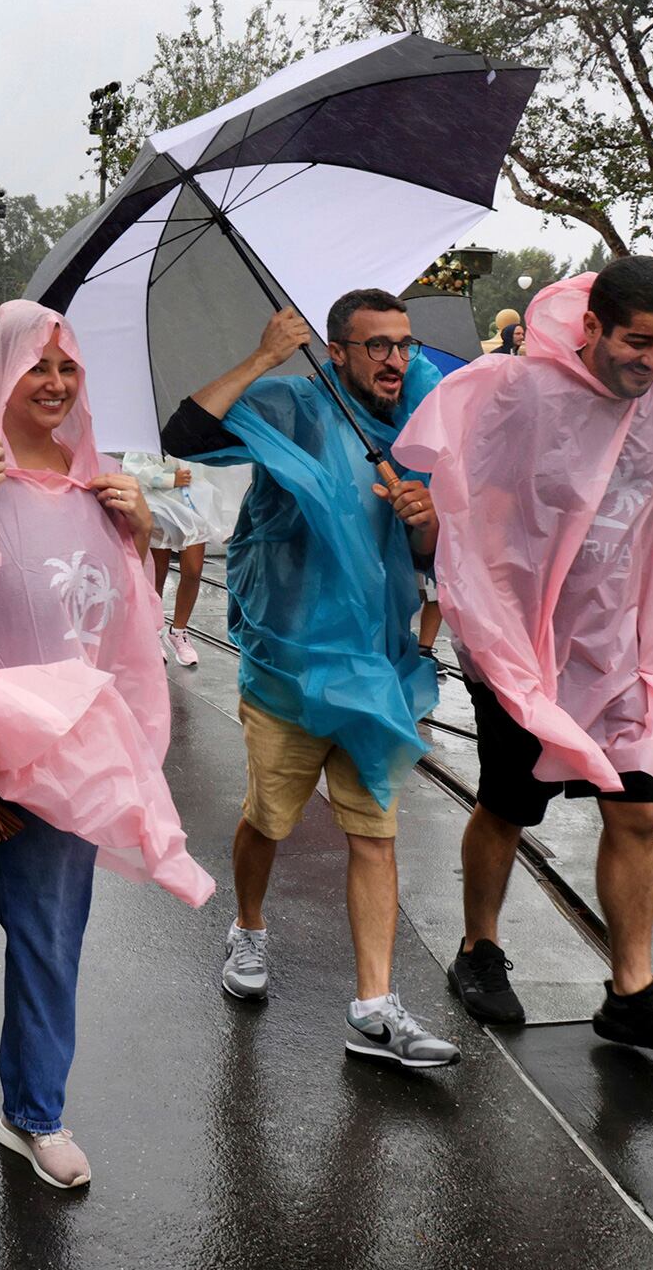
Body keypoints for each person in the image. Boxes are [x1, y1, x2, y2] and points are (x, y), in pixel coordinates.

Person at [0, 299, 211, 1191]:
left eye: (69, 369)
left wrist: (136, 538)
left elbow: (111, 632)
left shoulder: (104, 488)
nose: (54, 385)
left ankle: (34, 1113)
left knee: (51, 929)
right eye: (36, 368)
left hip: (56, 756)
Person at [394, 258, 653, 1057]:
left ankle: (632, 989)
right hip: (519, 633)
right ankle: (479, 948)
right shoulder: (518, 389)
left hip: (620, 636)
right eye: (639, 341)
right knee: (508, 801)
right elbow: (469, 495)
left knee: (638, 806)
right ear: (594, 326)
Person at [161, 293, 458, 1067]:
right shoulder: (290, 406)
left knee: (375, 833)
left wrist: (424, 518)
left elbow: (437, 559)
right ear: (336, 352)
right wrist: (263, 354)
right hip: (288, 663)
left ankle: (375, 1005)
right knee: (269, 819)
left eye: (403, 343)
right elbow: (184, 434)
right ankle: (248, 928)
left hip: (374, 667)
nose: (395, 359)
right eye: (376, 347)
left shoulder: (419, 425)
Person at [119, 451, 225, 666]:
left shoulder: (188, 427)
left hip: (192, 503)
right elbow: (132, 467)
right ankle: (152, 632)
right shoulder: (143, 435)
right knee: (157, 574)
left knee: (193, 571)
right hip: (157, 506)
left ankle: (178, 631)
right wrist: (169, 479)